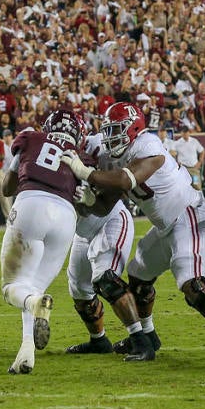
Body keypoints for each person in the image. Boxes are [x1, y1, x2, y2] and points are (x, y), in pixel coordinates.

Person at [62, 102, 205, 367]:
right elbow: (104, 205)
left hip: (189, 214)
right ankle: (148, 335)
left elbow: (128, 180)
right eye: (108, 130)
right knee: (139, 273)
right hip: (165, 226)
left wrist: (87, 173)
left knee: (192, 285)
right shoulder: (118, 156)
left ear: (133, 128)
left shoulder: (147, 144)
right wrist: (87, 200)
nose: (110, 136)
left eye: (116, 130)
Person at [0, 110, 83, 374]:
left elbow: (7, 188)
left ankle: (36, 305)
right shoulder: (81, 155)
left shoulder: (30, 138)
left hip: (31, 204)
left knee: (14, 287)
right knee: (32, 288)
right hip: (67, 217)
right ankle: (26, 353)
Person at [62, 131, 135, 356]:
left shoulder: (98, 149)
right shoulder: (46, 159)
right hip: (82, 232)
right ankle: (98, 341)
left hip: (109, 220)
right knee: (79, 289)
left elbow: (112, 193)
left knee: (106, 279)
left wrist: (90, 193)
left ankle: (140, 337)